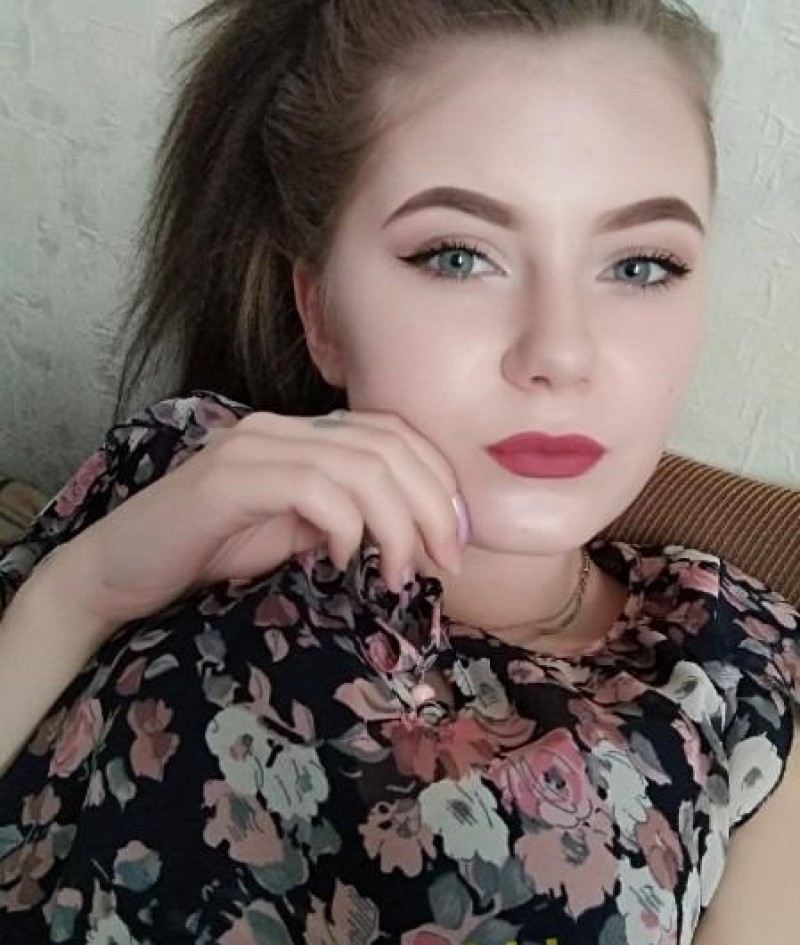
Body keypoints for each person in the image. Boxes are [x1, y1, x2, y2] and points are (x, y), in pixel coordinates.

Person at [1, 0, 799, 942]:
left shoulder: (745, 677)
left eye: (641, 266)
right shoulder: (193, 468)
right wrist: (83, 591)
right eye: (459, 256)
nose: (560, 352)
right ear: (321, 313)